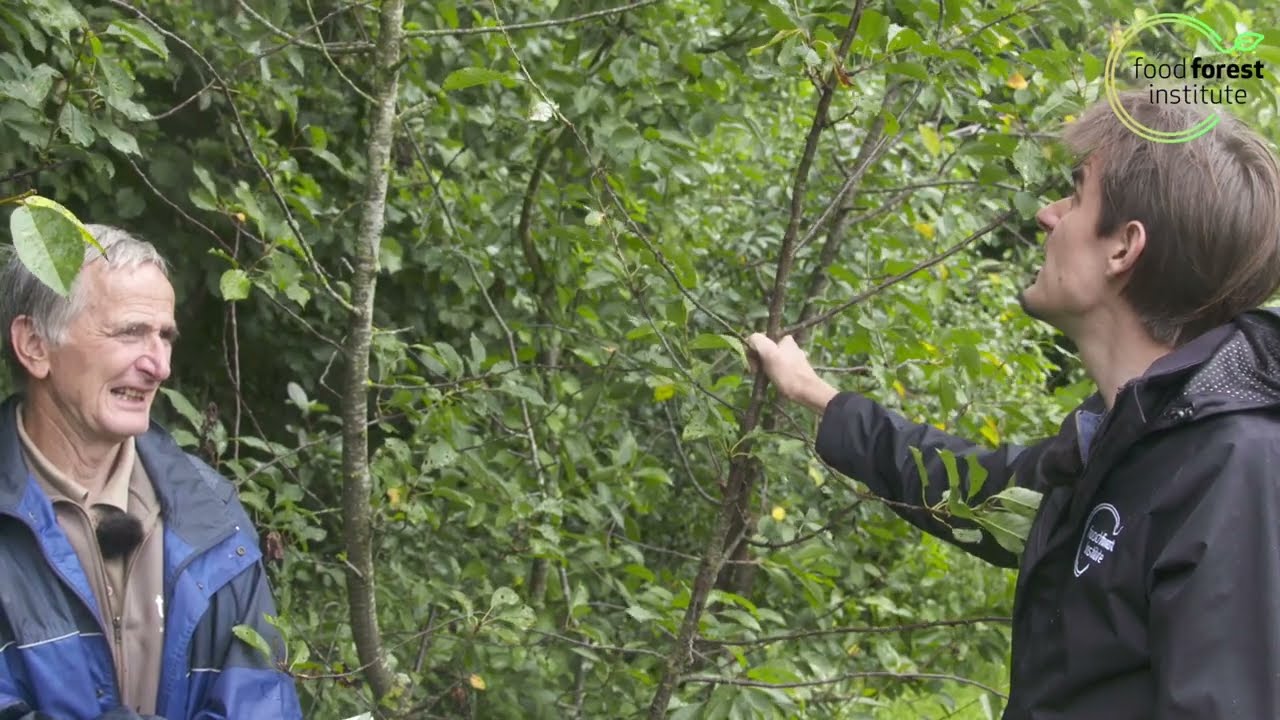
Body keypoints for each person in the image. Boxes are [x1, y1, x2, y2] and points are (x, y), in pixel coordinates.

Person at [749, 90, 1280, 718]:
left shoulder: (1234, 472)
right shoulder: (1122, 439)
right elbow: (975, 489)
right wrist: (817, 395)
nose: (1048, 215)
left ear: (1123, 248)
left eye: (1077, 196)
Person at [0, 226, 302, 719]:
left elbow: (263, 702)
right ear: (35, 345)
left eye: (165, 336)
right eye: (129, 332)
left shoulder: (211, 514)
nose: (159, 366)